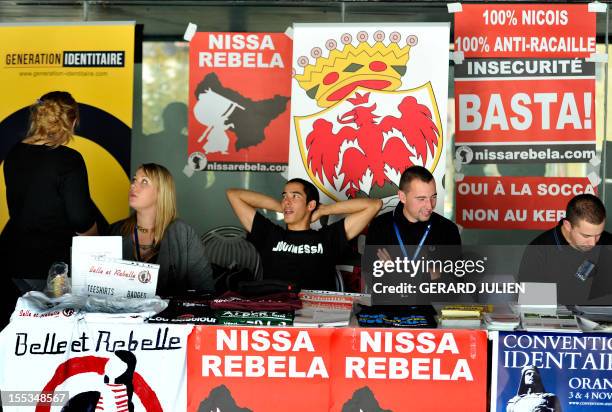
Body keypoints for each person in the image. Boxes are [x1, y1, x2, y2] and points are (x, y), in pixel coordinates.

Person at [0, 91, 99, 326]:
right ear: (72, 122)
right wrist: (96, 237)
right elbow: (80, 219)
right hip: (53, 270)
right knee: (53, 338)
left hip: (13, 262)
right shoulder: (68, 159)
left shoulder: (14, 154)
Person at [226, 178, 381, 291]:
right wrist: (283, 208)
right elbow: (233, 194)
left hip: (317, 317)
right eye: (284, 196)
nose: (287, 200)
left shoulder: (327, 237)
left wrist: (323, 210)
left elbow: (374, 205)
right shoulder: (269, 234)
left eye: (295, 196)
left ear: (310, 205)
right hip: (277, 312)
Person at [109, 163, 213, 297]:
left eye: (144, 181)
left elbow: (205, 291)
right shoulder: (115, 231)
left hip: (170, 315)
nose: (133, 185)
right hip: (121, 316)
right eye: (134, 180)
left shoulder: (183, 234)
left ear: (161, 192)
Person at [366, 165, 461, 280]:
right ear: (402, 197)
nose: (430, 206)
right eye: (421, 199)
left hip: (433, 298)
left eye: (433, 197)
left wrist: (398, 271)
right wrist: (428, 274)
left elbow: (455, 283)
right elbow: (375, 280)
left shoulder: (448, 229)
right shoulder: (379, 227)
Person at [518, 194, 612, 304]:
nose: (593, 243)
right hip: (556, 319)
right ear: (568, 226)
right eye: (586, 236)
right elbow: (532, 302)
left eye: (598, 234)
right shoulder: (539, 250)